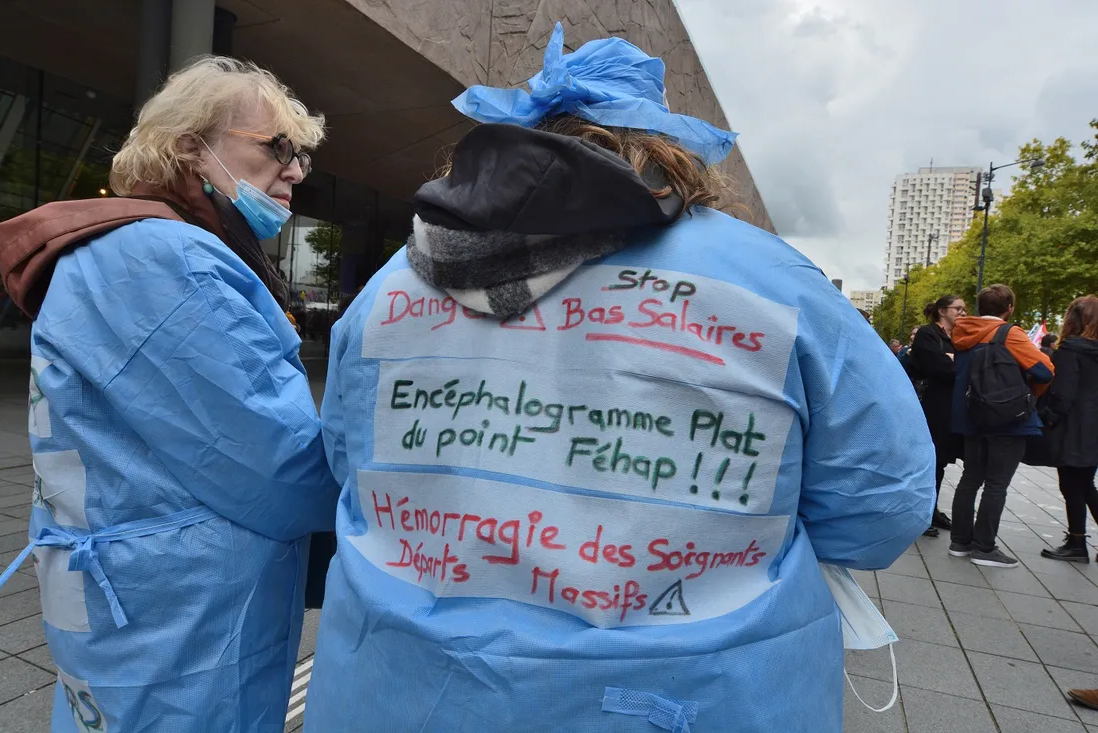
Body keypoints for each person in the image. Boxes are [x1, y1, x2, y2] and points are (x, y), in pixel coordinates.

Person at [304, 24, 935, 731]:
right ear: (671, 146)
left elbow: (345, 459)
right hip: (680, 698)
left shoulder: (396, 281)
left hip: (403, 691)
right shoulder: (775, 284)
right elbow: (884, 503)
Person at [0, 58, 340, 730]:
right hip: (180, 629)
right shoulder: (173, 262)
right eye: (278, 147)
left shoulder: (109, 251)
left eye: (301, 154)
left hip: (122, 608)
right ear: (192, 148)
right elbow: (280, 467)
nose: (296, 170)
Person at [949, 284, 1054, 568]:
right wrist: (1029, 394)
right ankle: (984, 547)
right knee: (996, 483)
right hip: (1007, 418)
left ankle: (959, 541)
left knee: (970, 478)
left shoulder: (962, 332)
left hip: (971, 417)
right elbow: (1045, 370)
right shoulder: (1010, 334)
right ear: (1009, 308)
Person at [1037, 296, 1098, 562]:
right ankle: (1076, 542)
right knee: (1085, 483)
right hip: (1093, 425)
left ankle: (1077, 543)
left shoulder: (1072, 350)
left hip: (1075, 425)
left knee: (1072, 483)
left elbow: (1064, 392)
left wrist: (1048, 416)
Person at [910, 295, 967, 537]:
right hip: (930, 405)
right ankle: (919, 513)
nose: (963, 313)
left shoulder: (957, 336)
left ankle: (930, 510)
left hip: (948, 407)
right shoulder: (927, 333)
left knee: (940, 461)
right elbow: (940, 368)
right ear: (943, 311)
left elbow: (962, 365)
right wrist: (955, 362)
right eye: (958, 309)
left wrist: (956, 360)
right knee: (928, 461)